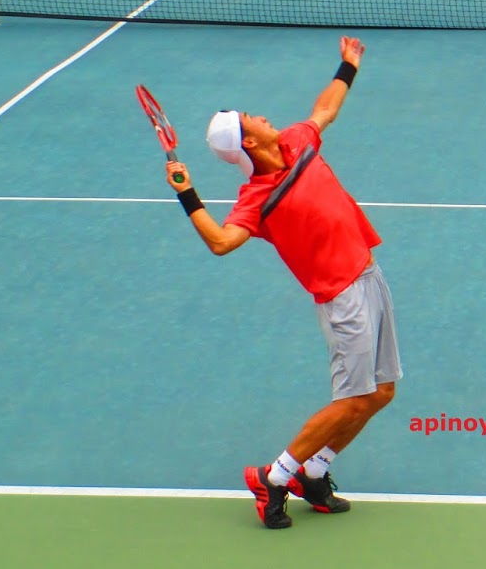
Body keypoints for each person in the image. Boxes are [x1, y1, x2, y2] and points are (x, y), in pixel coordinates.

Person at [165, 38, 401, 531]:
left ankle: (315, 470)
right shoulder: (254, 197)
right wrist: (188, 193)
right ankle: (275, 477)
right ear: (246, 142)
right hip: (341, 297)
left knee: (380, 393)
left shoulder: (298, 141)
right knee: (351, 400)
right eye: (252, 117)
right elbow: (221, 242)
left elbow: (326, 108)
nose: (263, 116)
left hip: (368, 272)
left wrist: (348, 65)